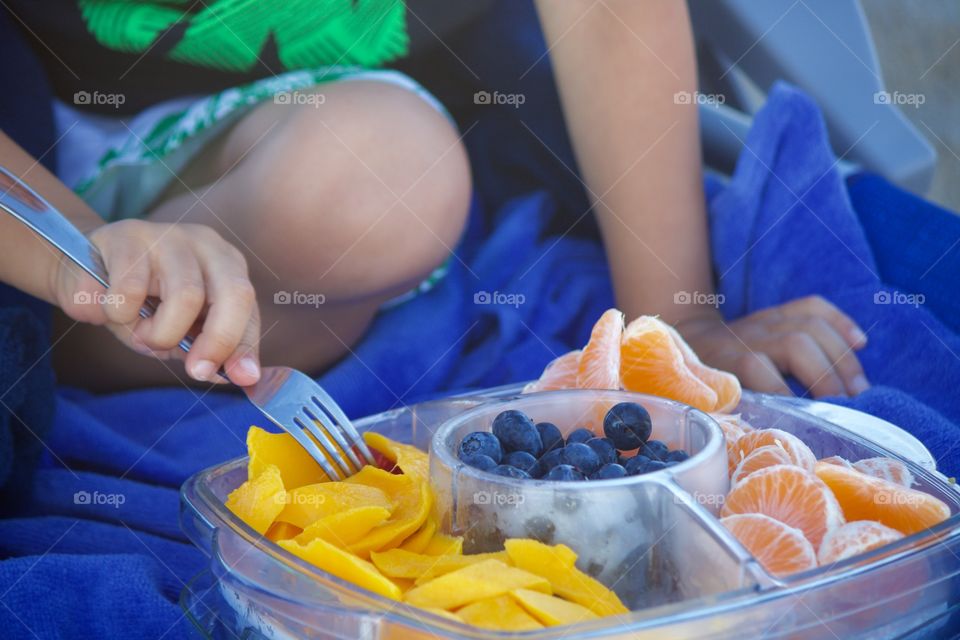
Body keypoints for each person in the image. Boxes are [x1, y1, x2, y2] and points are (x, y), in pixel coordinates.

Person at [0, 0, 869, 397]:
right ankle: (55, 335)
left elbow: (607, 13)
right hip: (34, 156)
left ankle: (116, 330)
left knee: (381, 182)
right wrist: (78, 249)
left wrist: (675, 322)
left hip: (273, 150)